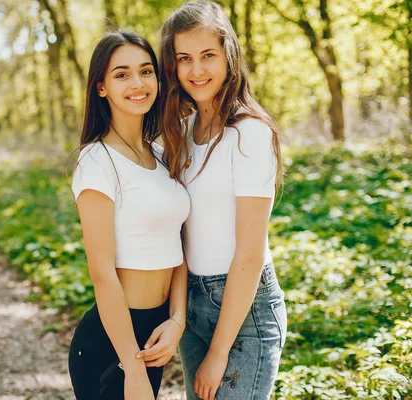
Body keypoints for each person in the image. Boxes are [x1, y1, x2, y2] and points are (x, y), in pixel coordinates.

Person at [157, 1, 288, 399]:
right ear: (173, 67)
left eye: (208, 55)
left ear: (228, 55)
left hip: (243, 312)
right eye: (185, 58)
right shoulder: (178, 134)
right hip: (193, 302)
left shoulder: (249, 133)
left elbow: (249, 253)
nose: (197, 70)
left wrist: (218, 353)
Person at [68, 30, 191, 400]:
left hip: (156, 331)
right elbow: (102, 273)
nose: (137, 83)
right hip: (113, 344)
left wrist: (177, 321)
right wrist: (131, 367)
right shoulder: (96, 162)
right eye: (121, 74)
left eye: (146, 71)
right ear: (101, 87)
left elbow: (178, 244)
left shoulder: (161, 154)